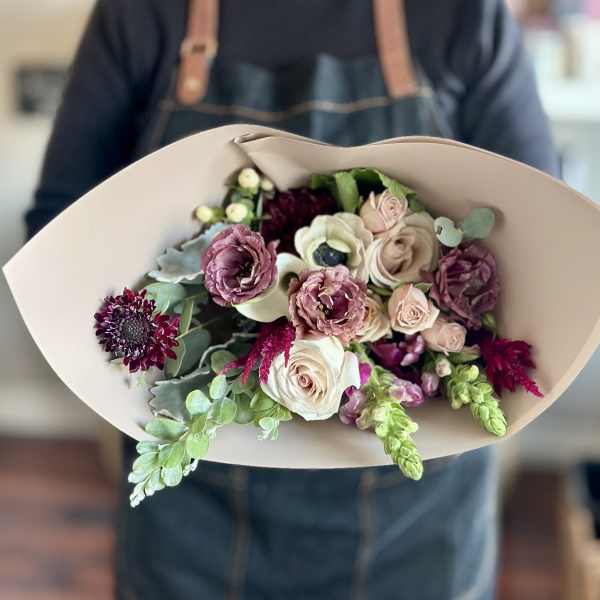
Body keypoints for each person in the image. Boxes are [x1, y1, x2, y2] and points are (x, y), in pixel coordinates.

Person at [26, 1, 558, 598]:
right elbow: (57, 231)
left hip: (415, 521)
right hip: (193, 516)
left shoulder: (461, 14)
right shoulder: (145, 12)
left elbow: (543, 246)